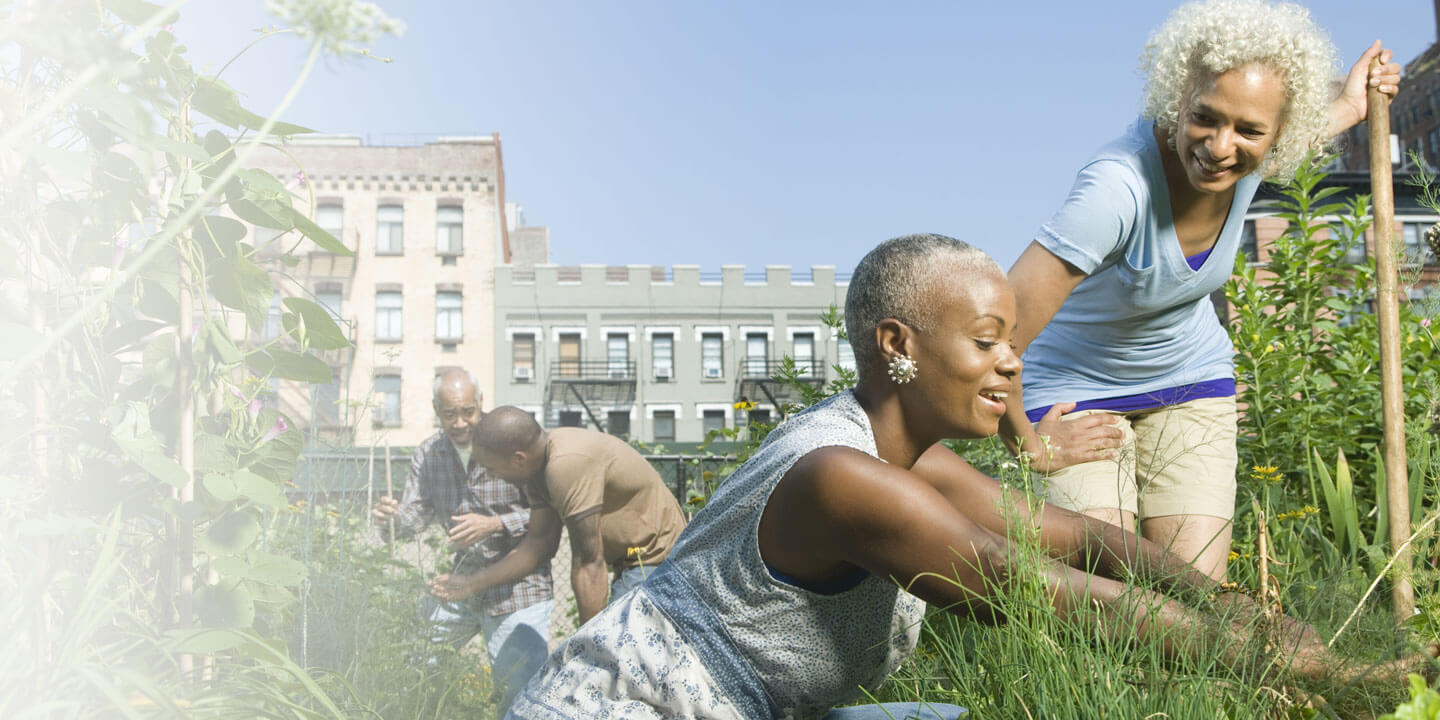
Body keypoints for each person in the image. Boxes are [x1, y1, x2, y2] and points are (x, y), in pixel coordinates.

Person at [503, 234, 1422, 720]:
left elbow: (1078, 539)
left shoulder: (909, 459)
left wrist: (1235, 609)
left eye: (1014, 342)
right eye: (986, 341)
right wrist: (1322, 669)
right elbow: (1038, 591)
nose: (1011, 365)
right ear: (897, 346)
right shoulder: (841, 479)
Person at [1001, 0, 1403, 580]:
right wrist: (1029, 448)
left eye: (1249, 130)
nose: (1220, 146)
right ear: (1178, 96)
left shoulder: (1255, 153)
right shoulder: (1116, 191)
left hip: (1189, 381)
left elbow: (1307, 118)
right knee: (1109, 590)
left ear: (1279, 134)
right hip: (1075, 390)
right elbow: (998, 339)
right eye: (1205, 118)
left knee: (1193, 596)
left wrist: (1352, 102)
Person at [370, 369, 553, 716]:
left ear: (481, 404)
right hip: (460, 583)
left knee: (520, 696)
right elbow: (412, 518)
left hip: (518, 587)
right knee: (415, 665)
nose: (459, 422)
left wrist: (496, 523)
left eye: (467, 411)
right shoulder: (428, 453)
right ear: (435, 409)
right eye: (449, 413)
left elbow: (550, 516)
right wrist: (391, 518)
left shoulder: (512, 441)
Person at [428, 411, 687, 625]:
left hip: (656, 561)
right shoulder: (536, 469)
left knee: (618, 657)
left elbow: (589, 563)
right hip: (633, 563)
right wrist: (473, 583)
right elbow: (537, 545)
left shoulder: (565, 465)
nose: (492, 475)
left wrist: (586, 648)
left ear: (518, 459)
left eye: (492, 468)